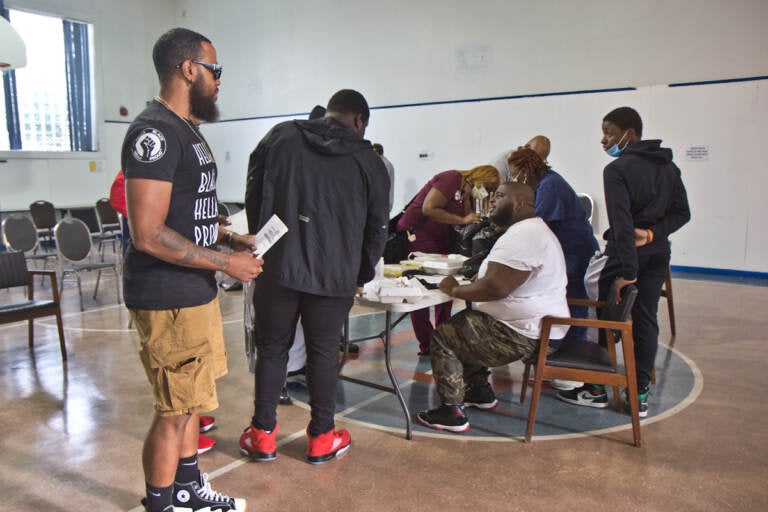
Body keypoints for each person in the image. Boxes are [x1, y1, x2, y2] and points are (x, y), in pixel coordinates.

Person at [122, 28, 262, 512]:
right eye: (214, 70)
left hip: (192, 289)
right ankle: (161, 504)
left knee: (191, 405)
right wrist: (229, 263)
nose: (219, 81)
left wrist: (228, 238)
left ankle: (186, 489)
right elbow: (149, 232)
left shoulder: (186, 128)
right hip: (168, 295)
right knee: (173, 410)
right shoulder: (154, 133)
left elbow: (187, 215)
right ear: (188, 69)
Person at [241, 89, 389, 465]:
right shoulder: (368, 161)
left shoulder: (281, 136)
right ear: (359, 121)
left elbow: (254, 188)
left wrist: (262, 239)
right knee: (323, 353)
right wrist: (362, 271)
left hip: (279, 265)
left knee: (272, 347)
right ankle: (322, 437)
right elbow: (377, 228)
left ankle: (262, 435)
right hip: (334, 273)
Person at [557, 106, 690, 418]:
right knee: (645, 320)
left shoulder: (617, 171)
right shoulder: (668, 167)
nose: (604, 140)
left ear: (628, 134)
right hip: (657, 254)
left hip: (624, 258)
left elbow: (622, 222)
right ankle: (638, 393)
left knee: (603, 315)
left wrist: (627, 273)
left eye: (609, 133)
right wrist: (654, 234)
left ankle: (597, 388)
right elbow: (682, 214)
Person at [415, 182, 570, 432]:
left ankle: (451, 411)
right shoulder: (530, 230)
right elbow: (504, 278)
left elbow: (496, 288)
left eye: (499, 195)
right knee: (467, 323)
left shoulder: (525, 234)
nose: (492, 200)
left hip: (523, 333)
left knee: (445, 336)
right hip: (534, 326)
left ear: (519, 203)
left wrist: (454, 289)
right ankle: (479, 392)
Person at [109, 169, 222, 455]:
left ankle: (188, 462)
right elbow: (145, 225)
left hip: (189, 284)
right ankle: (167, 493)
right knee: (175, 406)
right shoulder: (149, 156)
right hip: (163, 282)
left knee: (190, 392)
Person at [396, 165, 499, 355]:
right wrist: (462, 220)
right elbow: (429, 208)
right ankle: (427, 344)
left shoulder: (465, 193)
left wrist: (470, 202)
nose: (484, 192)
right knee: (422, 287)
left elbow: (466, 219)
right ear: (479, 177)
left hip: (442, 239)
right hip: (419, 235)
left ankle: (442, 337)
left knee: (445, 286)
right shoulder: (451, 178)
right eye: (486, 186)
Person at [508, 147, 599, 342]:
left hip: (576, 252)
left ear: (525, 171)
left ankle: (572, 348)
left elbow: (538, 227)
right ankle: (567, 344)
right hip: (569, 251)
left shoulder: (550, 186)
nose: (513, 177)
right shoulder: (544, 183)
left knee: (573, 300)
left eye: (515, 173)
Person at [372, 143, 395, 212]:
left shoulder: (385, 165)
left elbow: (381, 184)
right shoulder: (381, 164)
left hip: (383, 203)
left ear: (377, 153)